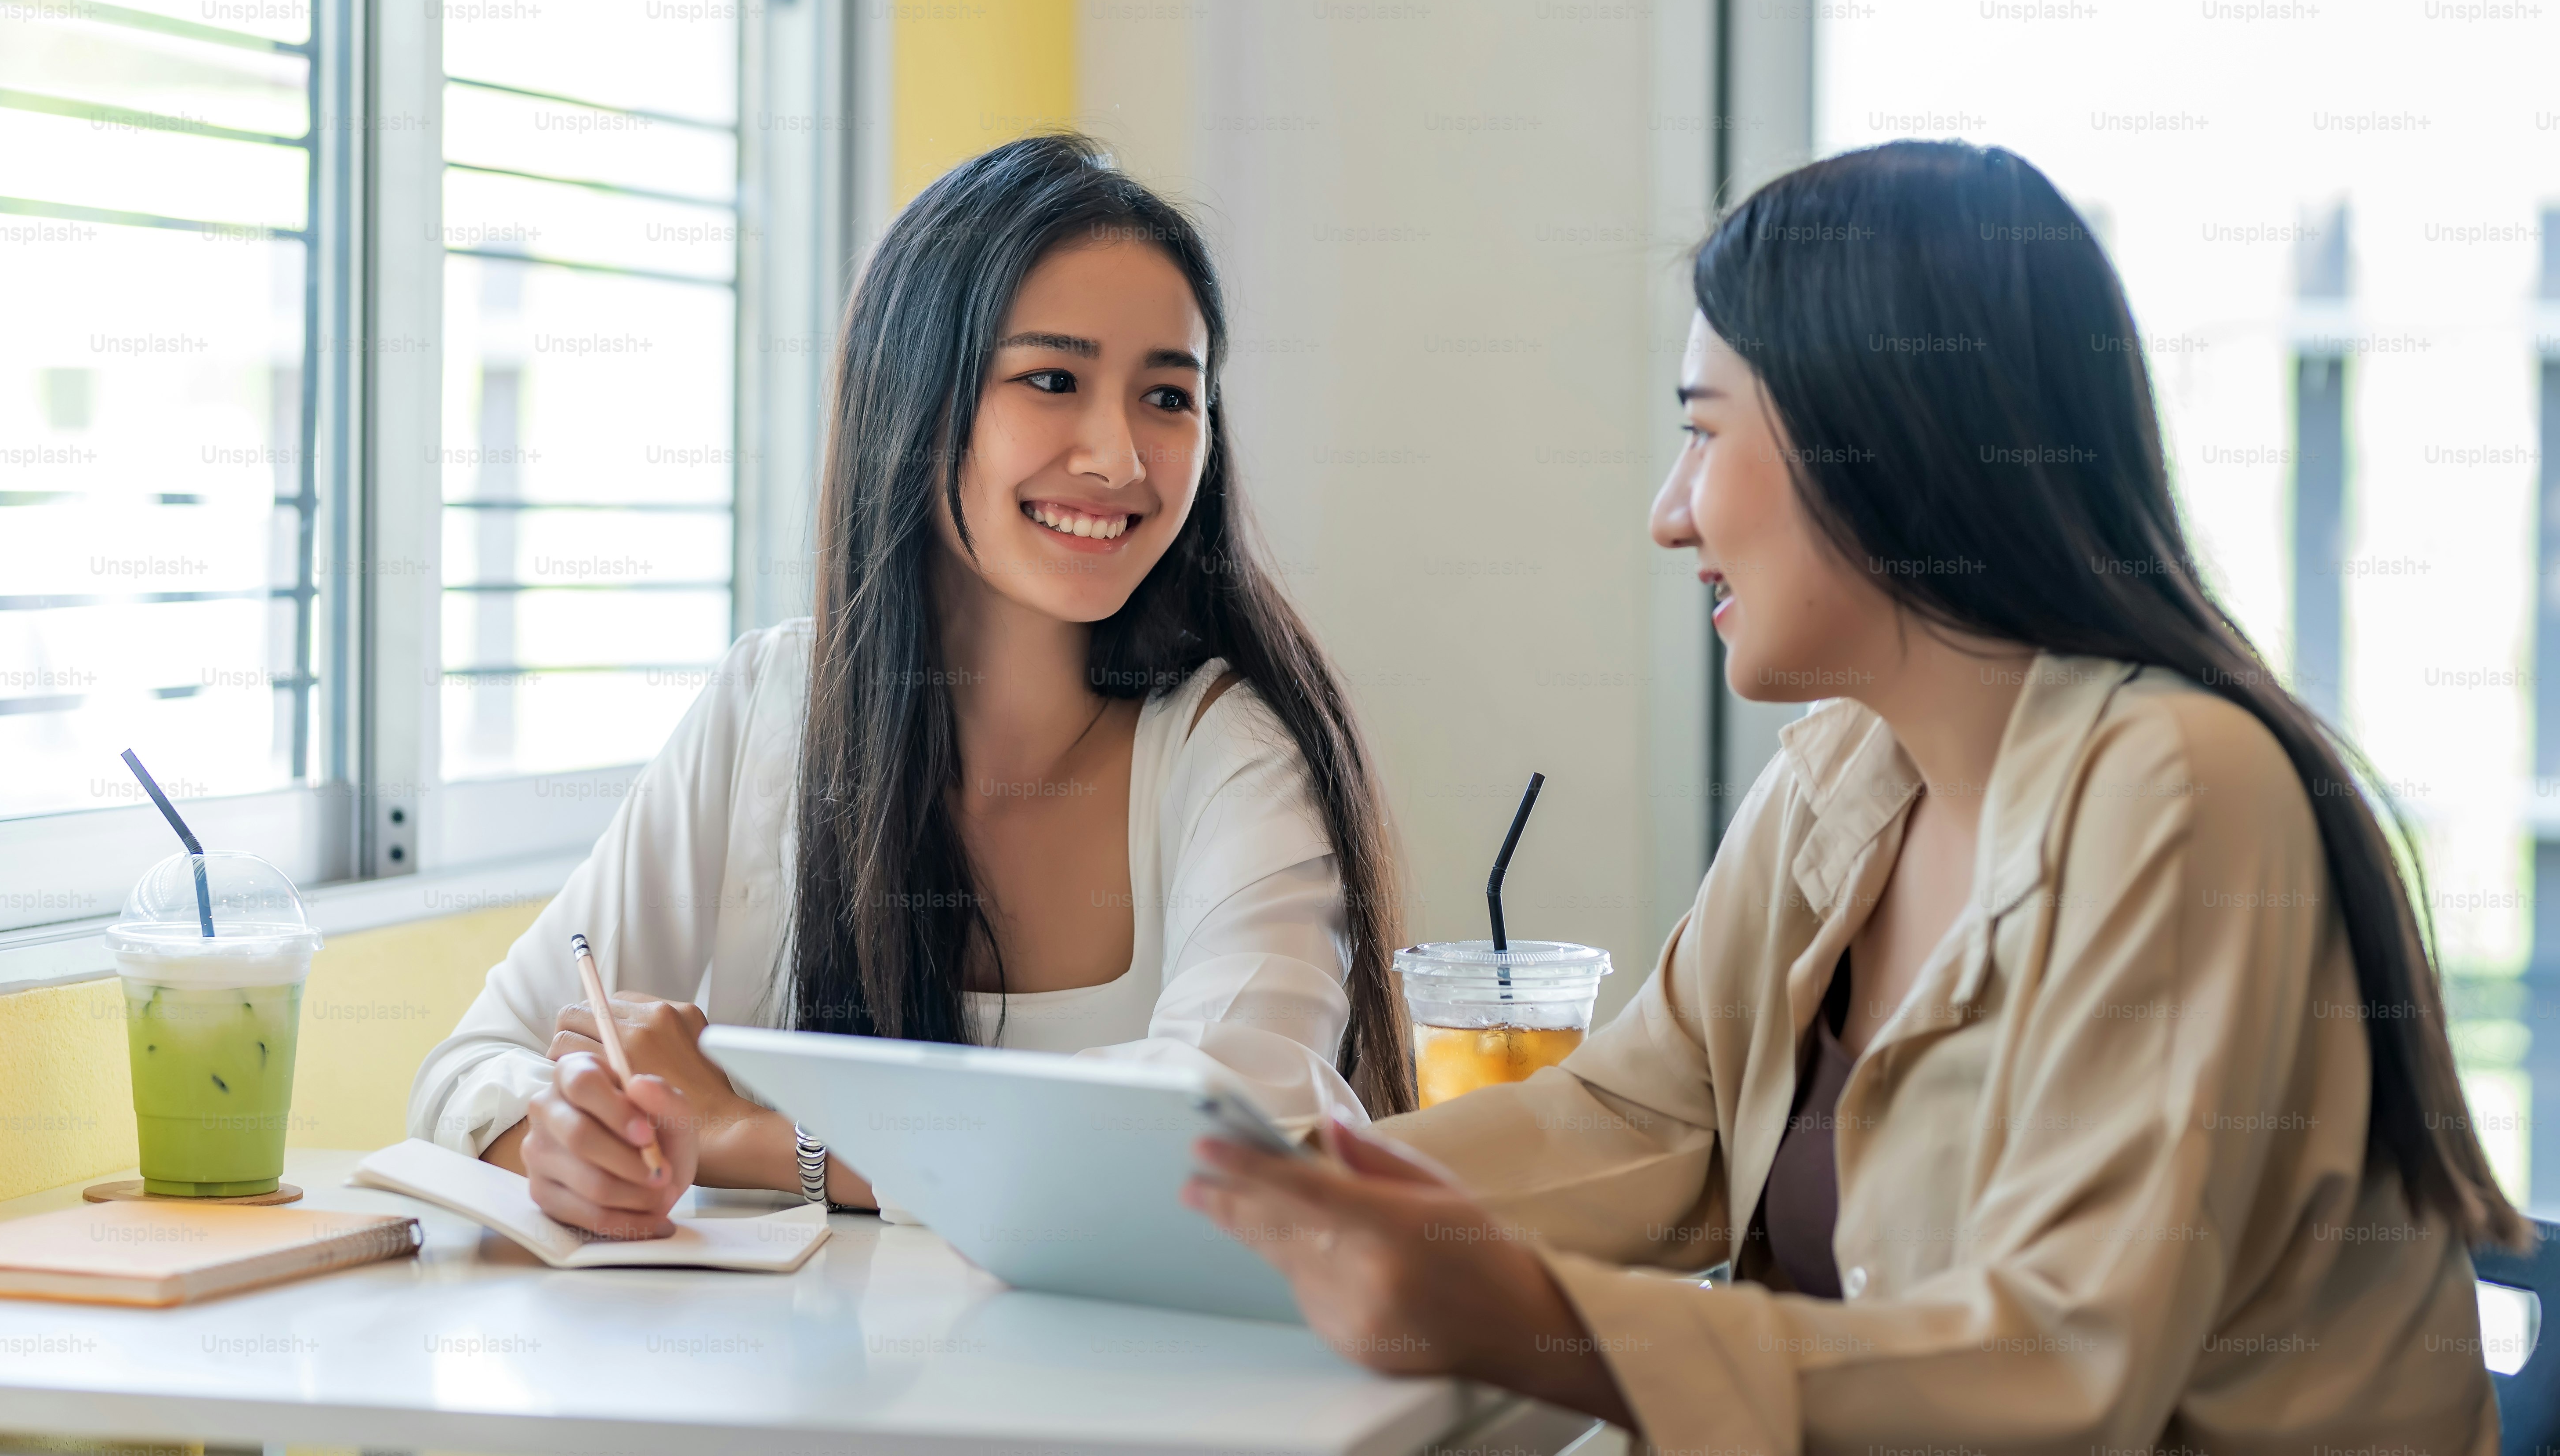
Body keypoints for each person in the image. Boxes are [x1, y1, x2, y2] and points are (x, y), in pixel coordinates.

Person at [1185, 140, 2523, 1453]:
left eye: (1702, 433)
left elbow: (2062, 1371)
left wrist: (1542, 1321)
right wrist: (1294, 1195)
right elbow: (1656, 1119)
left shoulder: (2179, 789)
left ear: (1876, 439)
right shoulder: (1846, 775)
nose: (1669, 513)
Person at [408, 134, 1410, 1236]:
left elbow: (1220, 1136)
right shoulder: (767, 708)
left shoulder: (1231, 753)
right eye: (1053, 380)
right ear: (913, 396)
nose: (1121, 457)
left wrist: (751, 1139)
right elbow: (471, 1068)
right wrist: (566, 1140)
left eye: (1168, 397)